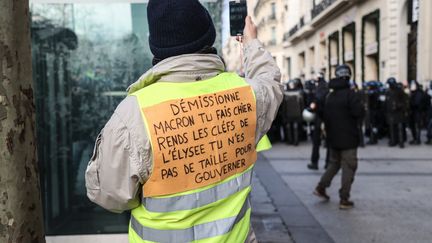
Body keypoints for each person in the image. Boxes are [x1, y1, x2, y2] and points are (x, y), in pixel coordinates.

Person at [84, 1, 283, 242]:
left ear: (156, 46)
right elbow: (270, 81)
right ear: (208, 36)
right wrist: (251, 43)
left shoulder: (133, 114)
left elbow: (109, 195)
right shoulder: (247, 96)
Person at [313, 64, 364, 210]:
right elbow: (358, 113)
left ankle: (321, 187)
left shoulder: (330, 95)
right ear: (348, 76)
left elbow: (323, 114)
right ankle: (344, 199)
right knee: (349, 167)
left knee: (334, 164)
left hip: (333, 139)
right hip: (349, 139)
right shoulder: (350, 94)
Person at [308, 72, 329, 170]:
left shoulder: (321, 88)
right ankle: (328, 163)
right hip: (328, 117)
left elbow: (318, 100)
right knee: (328, 141)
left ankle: (314, 162)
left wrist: (313, 105)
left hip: (320, 117)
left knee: (316, 141)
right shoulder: (326, 86)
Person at [385, 78, 408, 148]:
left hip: (399, 113)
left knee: (399, 128)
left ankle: (401, 142)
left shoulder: (399, 91)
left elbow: (405, 101)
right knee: (392, 128)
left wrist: (398, 106)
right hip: (391, 113)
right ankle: (393, 141)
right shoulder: (388, 91)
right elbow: (387, 102)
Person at [281, 79, 305, 145]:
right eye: (290, 84)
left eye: (292, 84)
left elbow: (301, 104)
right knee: (289, 127)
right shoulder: (285, 93)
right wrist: (284, 113)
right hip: (289, 113)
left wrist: (302, 112)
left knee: (295, 127)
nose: (291, 85)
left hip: (296, 113)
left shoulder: (299, 92)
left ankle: (296, 141)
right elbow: (284, 105)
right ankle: (290, 140)